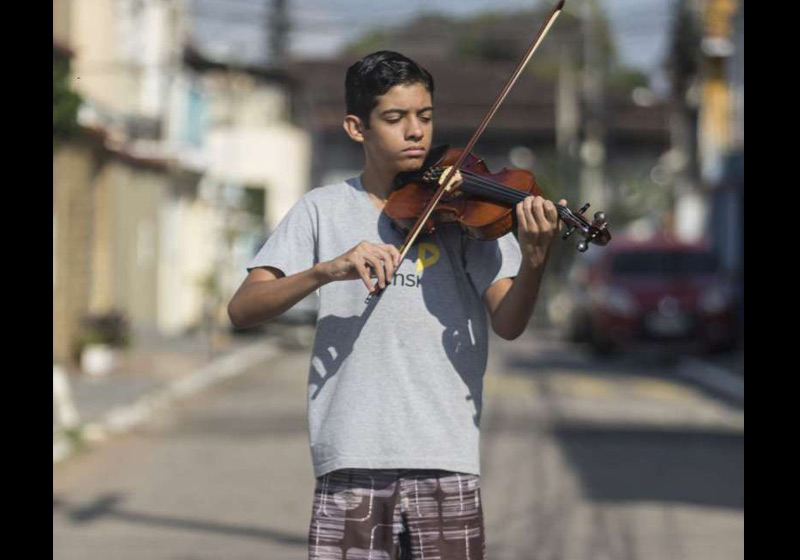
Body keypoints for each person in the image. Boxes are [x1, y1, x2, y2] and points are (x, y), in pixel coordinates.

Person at [227, 50, 564, 560]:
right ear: (355, 127)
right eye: (395, 118)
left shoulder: (470, 214)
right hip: (351, 454)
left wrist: (535, 260)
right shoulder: (322, 209)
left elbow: (510, 322)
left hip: (444, 455)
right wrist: (326, 270)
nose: (416, 132)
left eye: (424, 117)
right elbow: (243, 308)